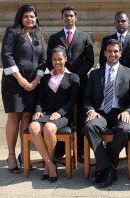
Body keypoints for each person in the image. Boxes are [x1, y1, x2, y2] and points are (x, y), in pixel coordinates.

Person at [82, 39, 130, 188]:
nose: (112, 54)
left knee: (124, 129)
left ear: (120, 53)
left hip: (119, 112)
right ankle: (109, 168)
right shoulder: (95, 74)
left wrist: (128, 111)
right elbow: (87, 97)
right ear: (104, 53)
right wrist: (91, 110)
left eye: (116, 51)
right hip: (100, 112)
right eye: (109, 51)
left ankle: (104, 165)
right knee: (89, 126)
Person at [1, 4, 46, 173]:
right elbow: (7, 55)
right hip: (13, 83)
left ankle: (24, 155)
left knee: (27, 116)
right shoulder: (12, 32)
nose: (29, 19)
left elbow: (43, 60)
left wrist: (36, 80)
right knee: (14, 117)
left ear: (36, 19)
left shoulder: (38, 35)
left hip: (32, 83)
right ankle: (11, 156)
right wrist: (20, 79)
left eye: (32, 17)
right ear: (21, 17)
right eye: (26, 16)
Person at [47, 5, 94, 163]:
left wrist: (74, 75)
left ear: (76, 18)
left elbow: (90, 61)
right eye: (66, 15)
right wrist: (63, 75)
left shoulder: (84, 36)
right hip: (59, 85)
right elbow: (50, 60)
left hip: (80, 82)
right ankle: (59, 150)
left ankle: (79, 150)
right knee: (61, 113)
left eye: (71, 15)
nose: (68, 18)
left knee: (81, 115)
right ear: (62, 18)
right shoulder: (55, 37)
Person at [28, 46, 79, 183]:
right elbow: (39, 98)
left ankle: (48, 165)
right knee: (33, 127)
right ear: (51, 60)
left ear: (65, 59)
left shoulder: (73, 77)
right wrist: (38, 110)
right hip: (46, 112)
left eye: (60, 59)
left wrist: (60, 112)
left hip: (64, 114)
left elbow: (72, 100)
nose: (57, 62)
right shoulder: (45, 78)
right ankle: (50, 163)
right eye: (54, 59)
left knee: (49, 128)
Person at [99, 11, 130, 162]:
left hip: (129, 83)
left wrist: (126, 75)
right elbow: (101, 61)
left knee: (129, 119)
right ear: (115, 22)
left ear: (128, 23)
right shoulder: (107, 40)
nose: (121, 23)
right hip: (110, 81)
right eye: (118, 21)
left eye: (123, 21)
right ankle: (112, 152)